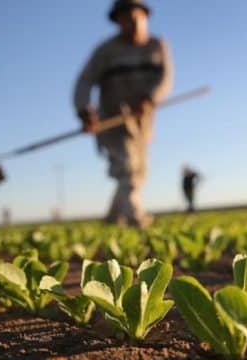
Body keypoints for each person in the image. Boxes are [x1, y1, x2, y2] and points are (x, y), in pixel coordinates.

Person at [73, 0, 173, 228]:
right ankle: (135, 218)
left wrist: (150, 98)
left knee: (138, 170)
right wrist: (84, 110)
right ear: (118, 21)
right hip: (112, 120)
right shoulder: (105, 51)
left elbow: (165, 78)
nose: (132, 23)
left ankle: (112, 218)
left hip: (142, 122)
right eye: (125, 19)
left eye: (136, 18)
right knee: (126, 166)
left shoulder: (157, 46)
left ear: (145, 17)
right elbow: (84, 81)